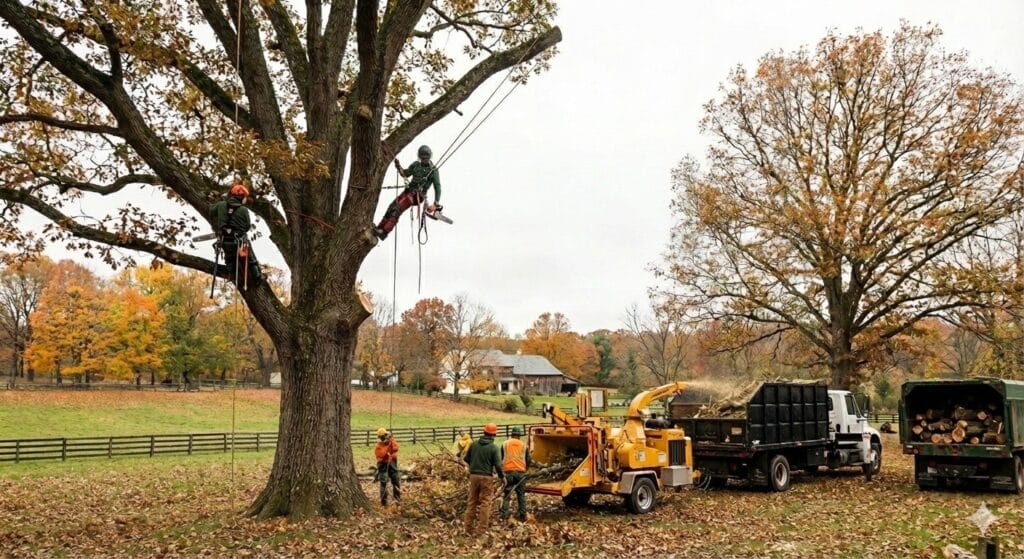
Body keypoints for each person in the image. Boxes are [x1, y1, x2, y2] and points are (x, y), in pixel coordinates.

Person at [370, 145, 441, 241]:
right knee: (392, 207)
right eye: (423, 158)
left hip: (418, 196)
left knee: (397, 209)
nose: (424, 160)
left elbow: (437, 186)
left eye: (426, 158)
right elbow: (405, 174)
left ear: (430, 157)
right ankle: (379, 228)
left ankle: (384, 232)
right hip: (408, 191)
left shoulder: (433, 170)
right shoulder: (416, 165)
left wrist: (435, 203)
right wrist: (399, 167)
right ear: (420, 157)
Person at [209, 183, 261, 288]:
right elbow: (247, 226)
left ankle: (231, 273)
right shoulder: (243, 210)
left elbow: (210, 211)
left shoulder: (221, 205)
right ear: (242, 197)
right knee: (251, 259)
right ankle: (257, 277)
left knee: (229, 258)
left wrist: (217, 202)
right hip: (240, 242)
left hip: (226, 241)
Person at [462, 423, 504, 536]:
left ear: (484, 432)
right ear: (494, 435)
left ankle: (468, 529)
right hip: (486, 477)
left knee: (472, 502)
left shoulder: (474, 444)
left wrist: (475, 466)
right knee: (485, 503)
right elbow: (498, 465)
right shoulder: (494, 448)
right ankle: (481, 531)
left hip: (473, 476)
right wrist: (502, 477)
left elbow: (466, 459)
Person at [500, 426, 532, 522]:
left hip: (508, 472)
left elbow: (501, 458)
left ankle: (504, 515)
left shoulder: (505, 444)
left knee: (507, 493)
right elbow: (528, 460)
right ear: (519, 435)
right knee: (521, 494)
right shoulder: (524, 445)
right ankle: (522, 514)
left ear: (511, 434)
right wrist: (525, 469)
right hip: (520, 473)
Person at [374, 427, 401, 506]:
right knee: (383, 483)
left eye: (386, 435)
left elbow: (396, 448)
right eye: (384, 435)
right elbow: (383, 455)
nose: (385, 436)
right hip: (383, 465)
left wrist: (391, 440)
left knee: (396, 481)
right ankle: (384, 503)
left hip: (392, 464)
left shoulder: (391, 441)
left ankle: (397, 500)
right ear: (381, 437)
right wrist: (388, 446)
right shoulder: (378, 446)